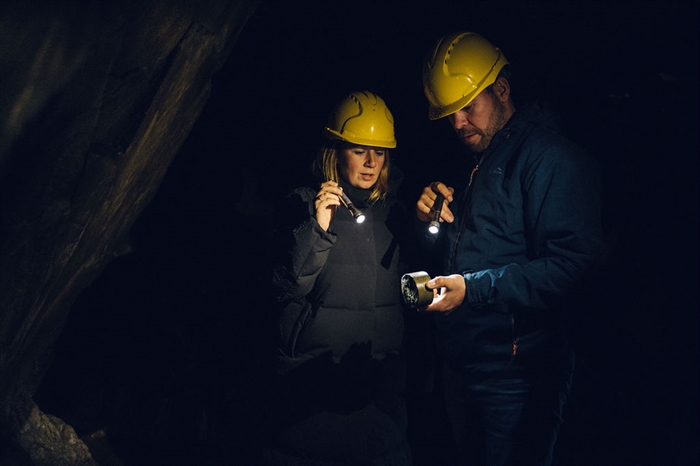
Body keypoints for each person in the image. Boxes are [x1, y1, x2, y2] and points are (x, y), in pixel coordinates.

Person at [414, 32, 605, 465]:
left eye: (468, 106)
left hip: (520, 374)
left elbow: (573, 266)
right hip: (465, 364)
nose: (459, 122)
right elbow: (482, 250)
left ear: (501, 88)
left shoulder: (549, 158)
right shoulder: (479, 163)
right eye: (450, 114)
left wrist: (473, 287)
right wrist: (431, 218)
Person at [264, 91, 414, 465]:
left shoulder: (395, 214)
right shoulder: (302, 204)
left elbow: (412, 294)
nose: (370, 162)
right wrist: (318, 227)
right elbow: (286, 285)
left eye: (379, 152)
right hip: (310, 398)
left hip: (376, 397)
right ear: (336, 151)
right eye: (359, 149)